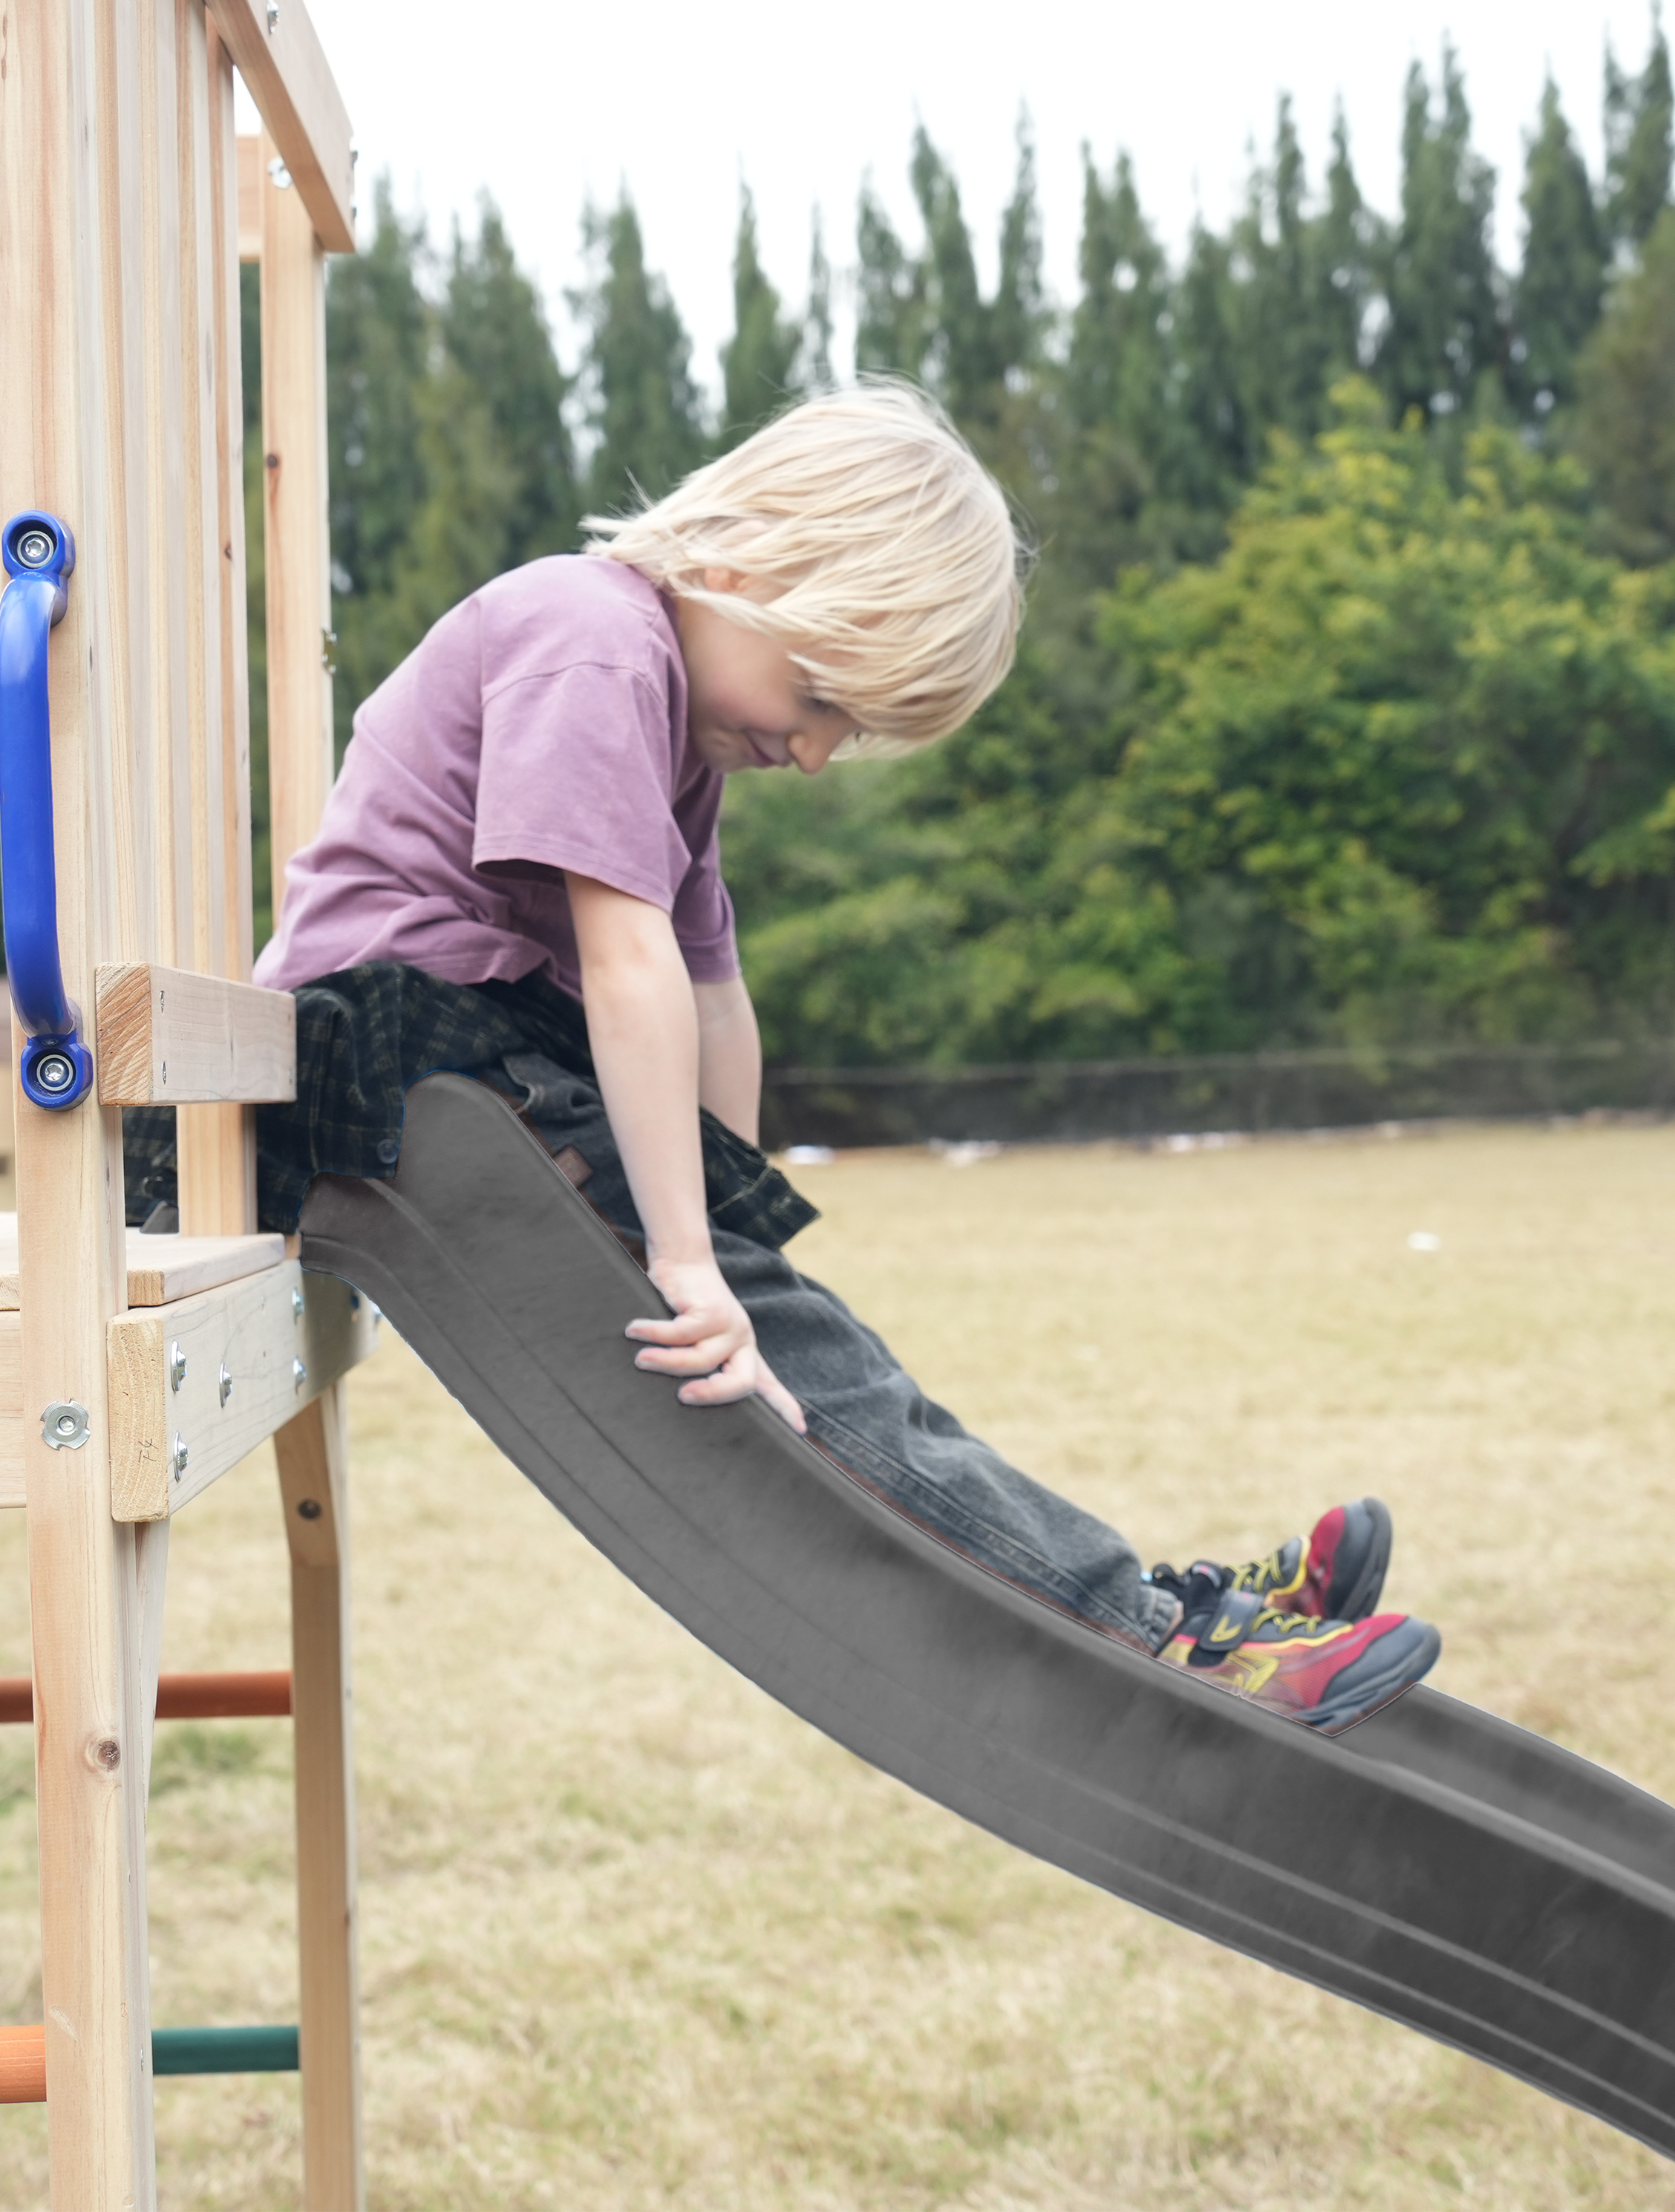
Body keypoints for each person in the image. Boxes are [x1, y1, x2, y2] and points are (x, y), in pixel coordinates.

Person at [150, 382, 1440, 1731]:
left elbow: (714, 994)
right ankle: (1159, 1636)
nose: (818, 756)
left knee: (791, 1334)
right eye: (821, 696)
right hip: (388, 1071)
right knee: (764, 1327)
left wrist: (734, 1244)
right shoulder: (587, 637)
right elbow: (632, 965)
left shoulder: (670, 716)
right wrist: (695, 1260)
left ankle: (1160, 1606)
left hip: (480, 1067)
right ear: (740, 562)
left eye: (851, 731)